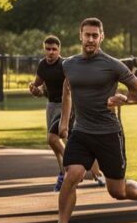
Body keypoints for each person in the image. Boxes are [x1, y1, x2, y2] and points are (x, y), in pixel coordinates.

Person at [43, 17, 137, 223]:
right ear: (80, 36)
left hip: (108, 135)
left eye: (95, 36)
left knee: (117, 191)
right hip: (81, 132)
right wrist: (65, 122)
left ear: (101, 37)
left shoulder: (113, 65)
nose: (90, 40)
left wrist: (123, 100)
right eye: (87, 35)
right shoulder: (70, 65)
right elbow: (67, 90)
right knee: (72, 175)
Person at [28, 35, 104, 191]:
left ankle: (77, 166)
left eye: (54, 49)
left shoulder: (65, 65)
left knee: (57, 138)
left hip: (66, 106)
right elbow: (38, 88)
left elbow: (76, 85)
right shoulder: (42, 65)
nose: (51, 52)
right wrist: (34, 90)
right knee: (56, 144)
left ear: (59, 50)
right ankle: (64, 173)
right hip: (51, 105)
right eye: (48, 49)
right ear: (44, 50)